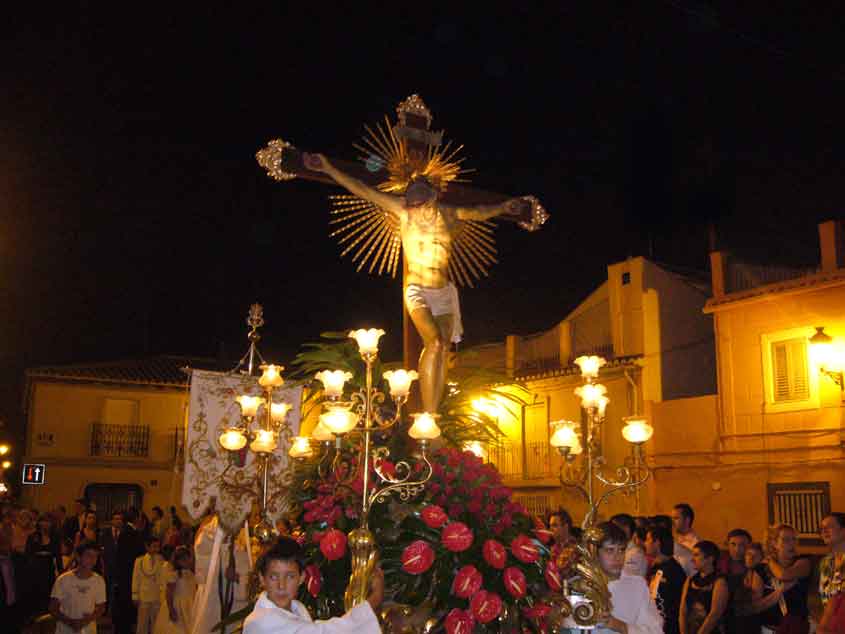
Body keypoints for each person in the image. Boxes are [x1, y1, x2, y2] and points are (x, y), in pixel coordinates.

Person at [304, 152, 532, 412]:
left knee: (444, 350)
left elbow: (479, 212)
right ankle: (427, 413)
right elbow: (363, 190)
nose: (415, 207)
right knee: (433, 342)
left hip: (444, 292)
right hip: (417, 291)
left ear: (433, 197)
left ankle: (432, 416)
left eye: (420, 202)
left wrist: (503, 208)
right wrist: (329, 167)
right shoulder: (404, 212)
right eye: (411, 201)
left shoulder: (449, 214)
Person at [243, 536, 384, 634]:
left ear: (301, 578)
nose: (281, 585)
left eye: (290, 576)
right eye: (274, 577)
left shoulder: (298, 608)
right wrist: (374, 599)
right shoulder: (260, 621)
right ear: (262, 579)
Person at [753, 523, 811, 634]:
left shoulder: (804, 561)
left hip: (795, 628)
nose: (792, 544)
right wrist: (780, 591)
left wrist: (770, 560)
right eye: (786, 540)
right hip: (768, 629)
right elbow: (755, 606)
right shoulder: (761, 569)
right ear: (774, 543)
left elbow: (784, 575)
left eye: (794, 539)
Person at [49, 541, 106, 634]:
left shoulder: (99, 581)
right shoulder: (63, 580)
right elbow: (52, 608)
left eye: (95, 556)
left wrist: (87, 619)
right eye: (88, 555)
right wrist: (70, 622)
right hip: (65, 630)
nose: (92, 559)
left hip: (88, 630)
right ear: (78, 557)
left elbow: (101, 607)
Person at [680, 540, 729, 634]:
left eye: (696, 555)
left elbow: (715, 614)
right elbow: (683, 611)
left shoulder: (720, 582)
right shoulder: (690, 580)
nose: (692, 559)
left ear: (710, 559)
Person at [645, 524, 686, 634]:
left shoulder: (674, 570)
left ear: (657, 543)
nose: (645, 543)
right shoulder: (655, 568)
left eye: (648, 540)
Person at [26, 512, 64, 615]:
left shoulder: (55, 537)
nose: (45, 524)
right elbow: (28, 554)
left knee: (48, 595)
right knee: (36, 597)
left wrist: (61, 574)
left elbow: (58, 557)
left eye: (47, 521)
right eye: (43, 521)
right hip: (35, 570)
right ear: (39, 523)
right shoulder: (33, 536)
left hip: (48, 570)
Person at [153, 545, 196, 634]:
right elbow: (169, 593)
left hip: (190, 605)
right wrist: (171, 609)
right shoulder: (174, 575)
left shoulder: (191, 574)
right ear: (178, 561)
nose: (187, 562)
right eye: (184, 560)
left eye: (188, 559)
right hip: (178, 605)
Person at [817, 513, 845, 634]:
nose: (824, 531)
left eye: (829, 526)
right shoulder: (825, 562)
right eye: (822, 528)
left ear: (843, 531)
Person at [133, 536, 164, 634]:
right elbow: (136, 578)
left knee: (156, 623)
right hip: (143, 596)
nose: (156, 549)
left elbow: (162, 578)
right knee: (142, 624)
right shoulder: (139, 561)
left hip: (156, 596)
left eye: (158, 547)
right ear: (147, 547)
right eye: (154, 546)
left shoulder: (161, 560)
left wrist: (162, 595)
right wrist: (135, 595)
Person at [612, 513, 648, 577]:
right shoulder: (622, 550)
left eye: (613, 529)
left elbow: (624, 579)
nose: (610, 533)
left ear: (625, 529)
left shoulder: (635, 554)